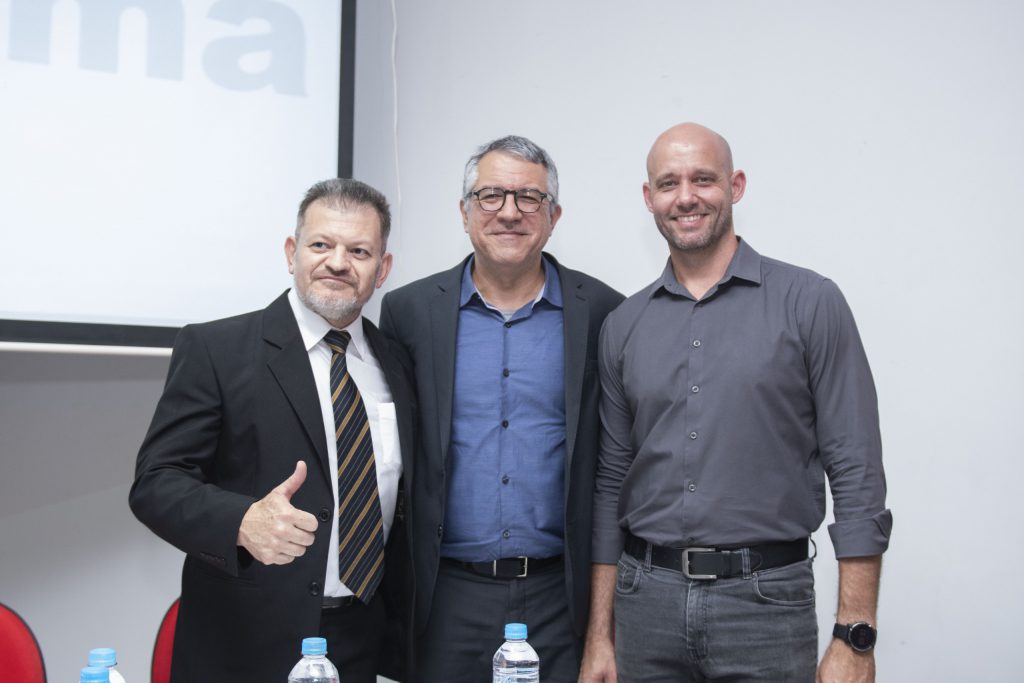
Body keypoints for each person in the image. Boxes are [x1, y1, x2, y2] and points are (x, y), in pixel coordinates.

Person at [580, 123, 892, 683]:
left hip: (766, 608)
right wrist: (600, 637)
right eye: (669, 183)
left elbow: (856, 470)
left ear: (736, 185)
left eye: (703, 179)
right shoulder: (623, 325)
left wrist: (856, 635)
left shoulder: (810, 302)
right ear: (649, 198)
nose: (686, 197)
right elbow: (610, 483)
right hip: (645, 605)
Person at [130, 178, 415, 683]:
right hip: (244, 645)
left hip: (361, 641)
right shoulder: (217, 349)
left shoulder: (397, 362)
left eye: (359, 251)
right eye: (321, 244)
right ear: (291, 252)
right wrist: (241, 521)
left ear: (383, 268)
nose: (337, 263)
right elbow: (156, 483)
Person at [379, 135, 623, 683]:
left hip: (561, 598)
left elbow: (614, 464)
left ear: (554, 216)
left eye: (529, 197)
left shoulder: (604, 311)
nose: (509, 212)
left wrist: (602, 628)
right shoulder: (408, 312)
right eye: (490, 195)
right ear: (464, 212)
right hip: (446, 598)